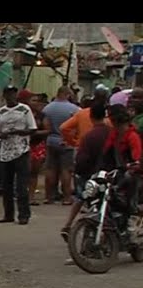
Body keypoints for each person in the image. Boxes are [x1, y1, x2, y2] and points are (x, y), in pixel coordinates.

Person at [60, 103, 111, 241]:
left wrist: (74, 142)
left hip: (88, 170)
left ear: (91, 115)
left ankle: (69, 224)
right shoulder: (111, 130)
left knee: (82, 197)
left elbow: (64, 127)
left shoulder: (87, 129)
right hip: (107, 172)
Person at [0, 86, 37, 225]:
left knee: (21, 186)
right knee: (6, 186)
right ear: (4, 95)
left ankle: (24, 215)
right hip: (5, 153)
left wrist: (19, 131)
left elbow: (32, 129)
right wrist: (3, 135)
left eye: (13, 93)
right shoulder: (0, 112)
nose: (11, 96)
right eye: (8, 94)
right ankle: (8, 214)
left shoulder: (24, 110)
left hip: (21, 151)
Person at [100, 104, 142, 230]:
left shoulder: (132, 136)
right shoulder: (114, 135)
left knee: (129, 197)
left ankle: (131, 223)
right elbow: (105, 154)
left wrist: (132, 166)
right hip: (118, 173)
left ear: (115, 120)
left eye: (110, 118)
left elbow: (137, 158)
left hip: (133, 174)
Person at [42, 86, 81, 205]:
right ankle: (67, 198)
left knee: (50, 169)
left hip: (51, 141)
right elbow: (77, 127)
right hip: (66, 142)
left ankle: (49, 197)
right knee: (66, 170)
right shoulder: (74, 109)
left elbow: (45, 126)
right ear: (67, 94)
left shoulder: (47, 108)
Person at [18, 89, 48, 205]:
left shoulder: (41, 115)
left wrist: (34, 133)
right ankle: (22, 195)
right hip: (21, 145)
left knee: (34, 172)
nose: (36, 103)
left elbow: (47, 129)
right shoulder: (20, 114)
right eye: (33, 100)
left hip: (36, 146)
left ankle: (31, 197)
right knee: (22, 172)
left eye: (36, 100)